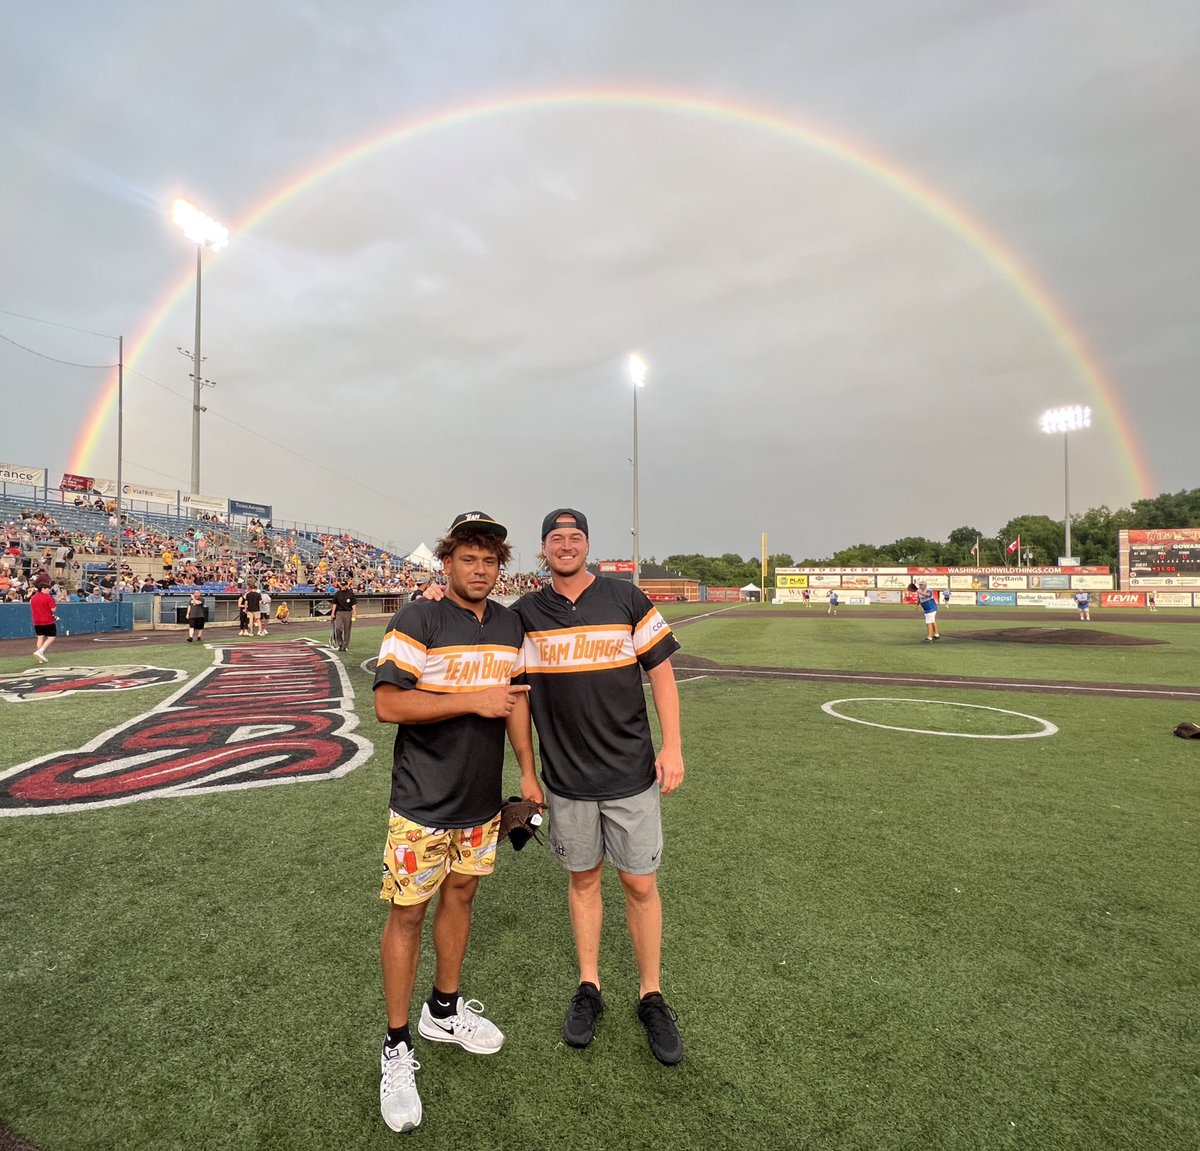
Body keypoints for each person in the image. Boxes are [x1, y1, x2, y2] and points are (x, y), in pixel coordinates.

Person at [508, 509, 685, 1066]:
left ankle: (650, 994)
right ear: (543, 550)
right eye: (556, 538)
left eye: (575, 536)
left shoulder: (626, 599)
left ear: (588, 545)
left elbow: (661, 673)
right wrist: (528, 771)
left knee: (638, 883)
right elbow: (519, 698)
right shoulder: (525, 615)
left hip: (631, 773)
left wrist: (673, 745)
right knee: (584, 880)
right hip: (566, 780)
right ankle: (590, 987)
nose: (566, 544)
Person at [372, 510, 528, 1134]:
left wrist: (529, 773)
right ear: (448, 561)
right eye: (469, 557)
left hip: (481, 799)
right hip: (422, 800)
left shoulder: (511, 622)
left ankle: (443, 1010)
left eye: (490, 559)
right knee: (408, 913)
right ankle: (397, 1045)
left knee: (462, 897)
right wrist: (471, 698)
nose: (480, 568)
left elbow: (516, 702)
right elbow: (387, 703)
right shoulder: (419, 617)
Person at [30, 583, 59, 662]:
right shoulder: (48, 597)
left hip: (37, 621)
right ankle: (40, 651)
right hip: (47, 621)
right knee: (51, 637)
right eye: (48, 588)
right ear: (43, 588)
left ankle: (40, 657)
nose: (49, 590)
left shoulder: (33, 598)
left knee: (40, 637)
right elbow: (53, 609)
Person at [331, 580, 357, 651]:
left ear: (346, 585)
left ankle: (345, 645)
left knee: (347, 629)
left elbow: (353, 604)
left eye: (343, 585)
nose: (342, 587)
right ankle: (340, 643)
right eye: (341, 585)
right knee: (338, 628)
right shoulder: (338, 593)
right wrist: (333, 613)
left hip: (348, 612)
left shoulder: (350, 593)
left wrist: (354, 613)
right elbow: (334, 603)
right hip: (339, 612)